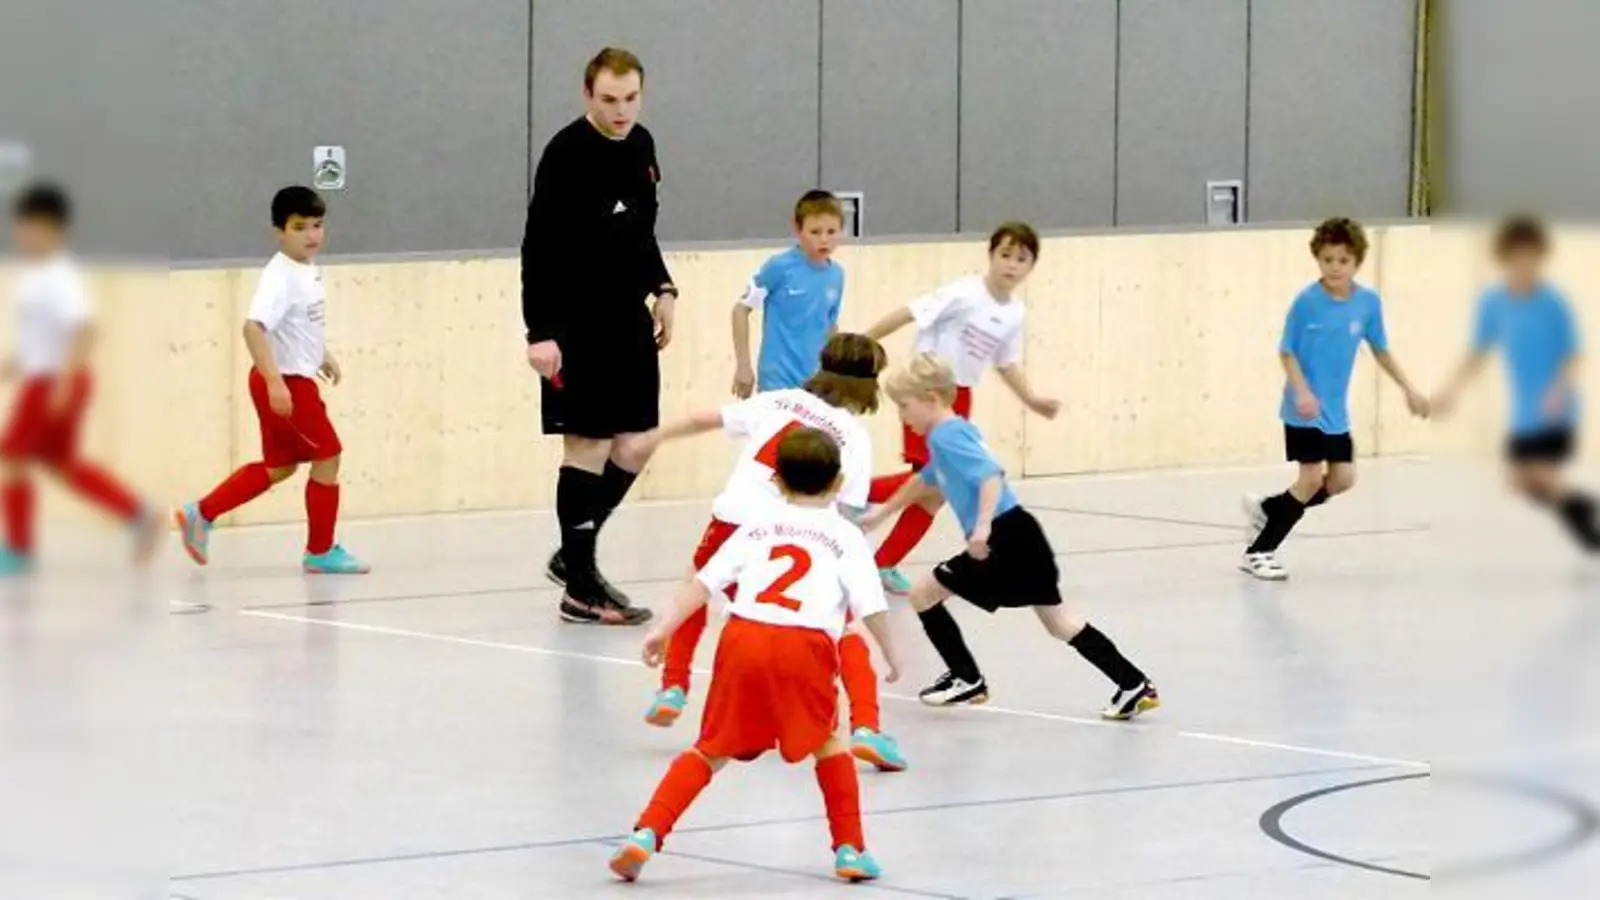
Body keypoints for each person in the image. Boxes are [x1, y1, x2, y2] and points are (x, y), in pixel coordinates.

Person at [609, 426, 901, 884]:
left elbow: (702, 584)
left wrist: (664, 629)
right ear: (839, 483)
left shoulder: (756, 527)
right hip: (804, 645)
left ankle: (646, 833)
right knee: (829, 739)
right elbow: (873, 607)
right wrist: (891, 653)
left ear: (777, 481)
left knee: (711, 748)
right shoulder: (845, 536)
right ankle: (850, 847)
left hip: (742, 638)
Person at [636, 333, 907, 772]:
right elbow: (850, 511)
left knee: (697, 585)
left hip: (730, 519)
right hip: (792, 531)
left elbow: (709, 417)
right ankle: (867, 727)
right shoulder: (853, 437)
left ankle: (674, 687)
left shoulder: (780, 401)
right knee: (845, 628)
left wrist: (658, 435)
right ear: (871, 386)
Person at [864, 353, 1158, 717]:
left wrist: (983, 525)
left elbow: (990, 475)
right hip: (1022, 533)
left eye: (904, 407)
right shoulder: (951, 434)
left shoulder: (948, 434)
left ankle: (966, 678)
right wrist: (882, 513)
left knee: (924, 593)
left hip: (1004, 538)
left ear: (931, 399)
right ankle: (1132, 683)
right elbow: (924, 480)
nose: (902, 417)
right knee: (1060, 622)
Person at [523, 47, 678, 626]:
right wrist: (541, 333)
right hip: (575, 322)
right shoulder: (566, 154)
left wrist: (662, 287)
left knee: (638, 443)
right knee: (586, 447)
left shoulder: (641, 145)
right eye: (609, 100)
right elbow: (537, 247)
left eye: (631, 98)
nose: (621, 111)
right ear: (588, 94)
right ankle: (582, 589)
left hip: (627, 319)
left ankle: (574, 555)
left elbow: (642, 230)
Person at [174, 186, 367, 574]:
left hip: (293, 377)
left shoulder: (306, 269)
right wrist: (276, 382)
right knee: (328, 455)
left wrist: (320, 353)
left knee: (280, 466)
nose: (312, 235)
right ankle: (320, 550)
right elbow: (253, 329)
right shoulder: (280, 276)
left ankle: (201, 513)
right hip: (288, 385)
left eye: (317, 225)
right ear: (279, 231)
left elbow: (293, 325)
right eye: (300, 227)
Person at [861, 221, 1060, 595]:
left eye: (1022, 258)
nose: (1011, 265)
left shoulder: (1015, 313)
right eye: (1005, 254)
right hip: (924, 390)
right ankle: (851, 498)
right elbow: (909, 312)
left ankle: (881, 557)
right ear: (990, 255)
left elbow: (1005, 362)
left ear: (1031, 266)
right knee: (933, 482)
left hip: (957, 395)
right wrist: (860, 341)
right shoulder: (964, 293)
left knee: (935, 492)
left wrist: (1032, 400)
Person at [1241, 217, 1429, 580]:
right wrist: (1302, 390)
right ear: (1318, 259)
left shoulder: (1368, 304)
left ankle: (1271, 507)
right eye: (1327, 259)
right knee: (1310, 479)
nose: (1335, 267)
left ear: (1357, 261)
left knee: (1343, 479)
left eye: (1343, 260)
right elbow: (1287, 351)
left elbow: (1381, 350)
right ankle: (1260, 551)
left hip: (1336, 413)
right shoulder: (1307, 303)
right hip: (1302, 410)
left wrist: (1409, 388)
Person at [0, 183, 163, 574]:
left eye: (35, 228)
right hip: (45, 377)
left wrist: (64, 382)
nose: (26, 235)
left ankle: (19, 551)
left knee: (11, 458)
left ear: (57, 230)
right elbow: (41, 338)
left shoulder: (61, 274)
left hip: (54, 381)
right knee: (61, 464)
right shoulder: (38, 276)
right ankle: (138, 513)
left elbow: (84, 328)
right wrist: (13, 366)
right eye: (23, 227)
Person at [1431, 216, 1600, 549]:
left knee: (1542, 474)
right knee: (1518, 480)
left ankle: (1590, 533)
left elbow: (1573, 354)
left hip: (1556, 408)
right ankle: (1584, 510)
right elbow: (1478, 351)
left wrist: (1557, 391)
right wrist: (1451, 390)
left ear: (1541, 258)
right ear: (1504, 259)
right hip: (1524, 412)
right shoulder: (1494, 302)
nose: (1524, 266)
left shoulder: (1553, 302)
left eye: (1531, 258)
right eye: (1517, 259)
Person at [730, 190, 846, 398]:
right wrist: (743, 366)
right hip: (778, 383)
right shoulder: (779, 268)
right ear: (797, 229)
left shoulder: (837, 275)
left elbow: (830, 326)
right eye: (815, 232)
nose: (824, 240)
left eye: (831, 232)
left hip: (816, 384)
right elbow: (740, 310)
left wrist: (835, 372)